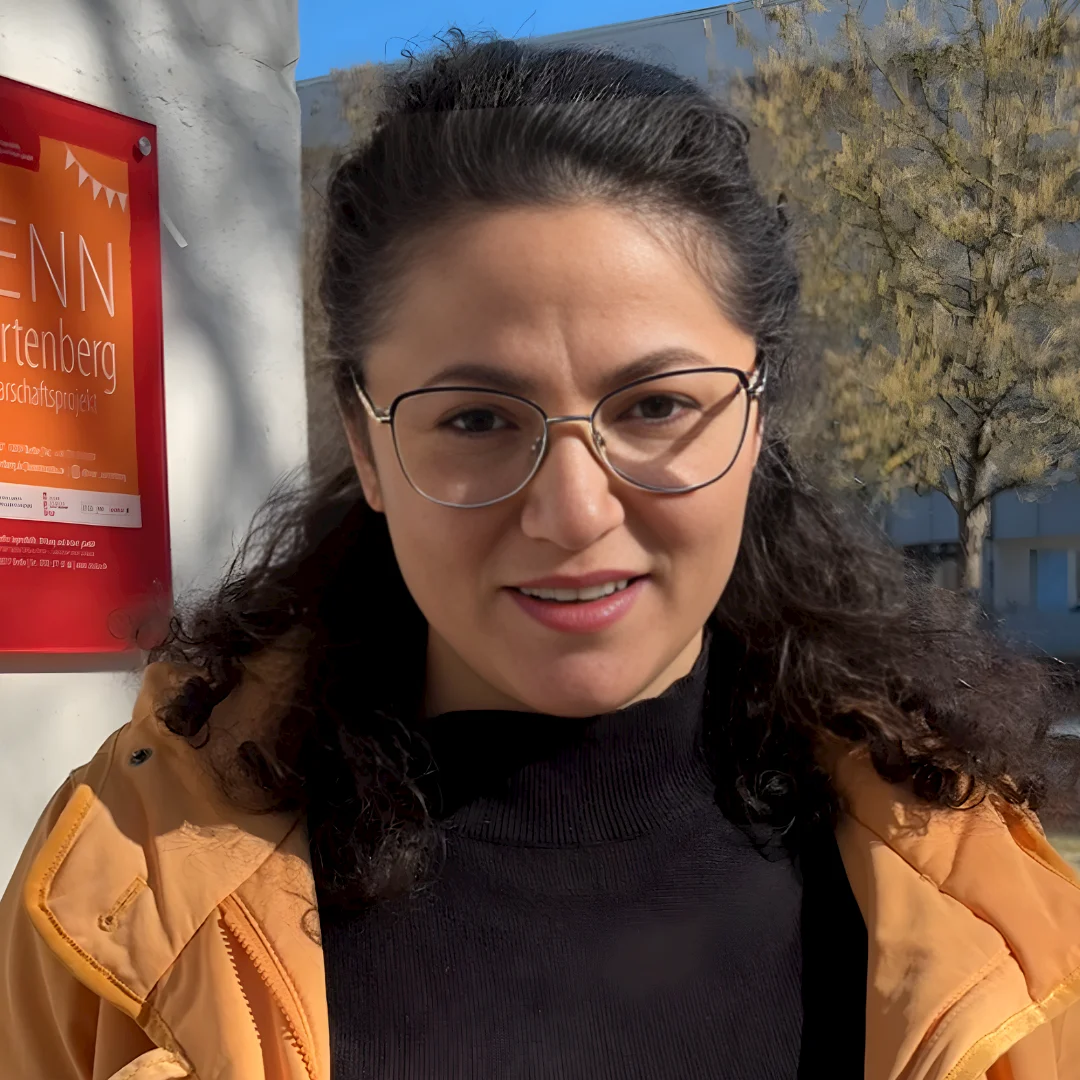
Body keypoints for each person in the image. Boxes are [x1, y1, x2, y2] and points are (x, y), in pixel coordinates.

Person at [2, 30, 1079, 1080]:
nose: (573, 511)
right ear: (367, 444)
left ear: (759, 416)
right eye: (476, 419)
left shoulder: (988, 917)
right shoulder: (122, 892)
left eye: (656, 406)